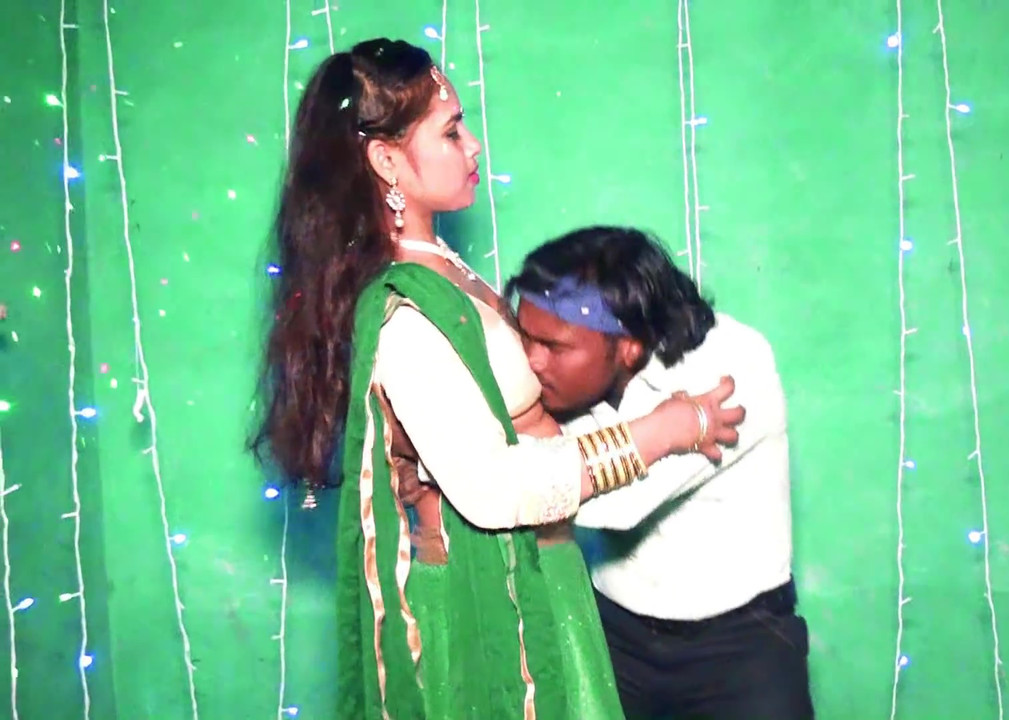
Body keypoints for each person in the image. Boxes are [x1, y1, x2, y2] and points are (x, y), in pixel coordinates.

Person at [249, 40, 744, 720]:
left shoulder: (446, 271)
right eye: (451, 131)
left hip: (539, 582)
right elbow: (493, 490)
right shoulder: (405, 315)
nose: (474, 144)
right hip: (483, 617)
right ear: (386, 160)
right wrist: (661, 433)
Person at [506, 226, 814, 720]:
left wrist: (509, 443)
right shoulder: (568, 383)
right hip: (615, 632)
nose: (531, 362)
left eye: (553, 346)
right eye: (524, 338)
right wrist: (666, 429)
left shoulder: (731, 366)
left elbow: (615, 502)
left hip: (740, 643)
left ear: (627, 346)